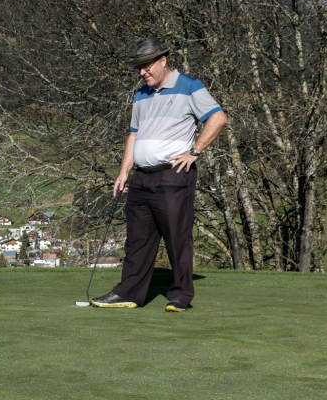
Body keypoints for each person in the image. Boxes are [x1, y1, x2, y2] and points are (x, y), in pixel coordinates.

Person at [92, 38, 227, 312]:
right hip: (141, 178)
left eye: (146, 66)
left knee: (177, 238)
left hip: (172, 175)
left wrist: (195, 151)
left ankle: (180, 296)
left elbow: (218, 118)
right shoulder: (141, 94)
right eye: (139, 68)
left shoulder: (189, 85)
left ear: (163, 60)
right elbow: (134, 134)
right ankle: (128, 293)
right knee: (138, 240)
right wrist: (124, 171)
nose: (142, 72)